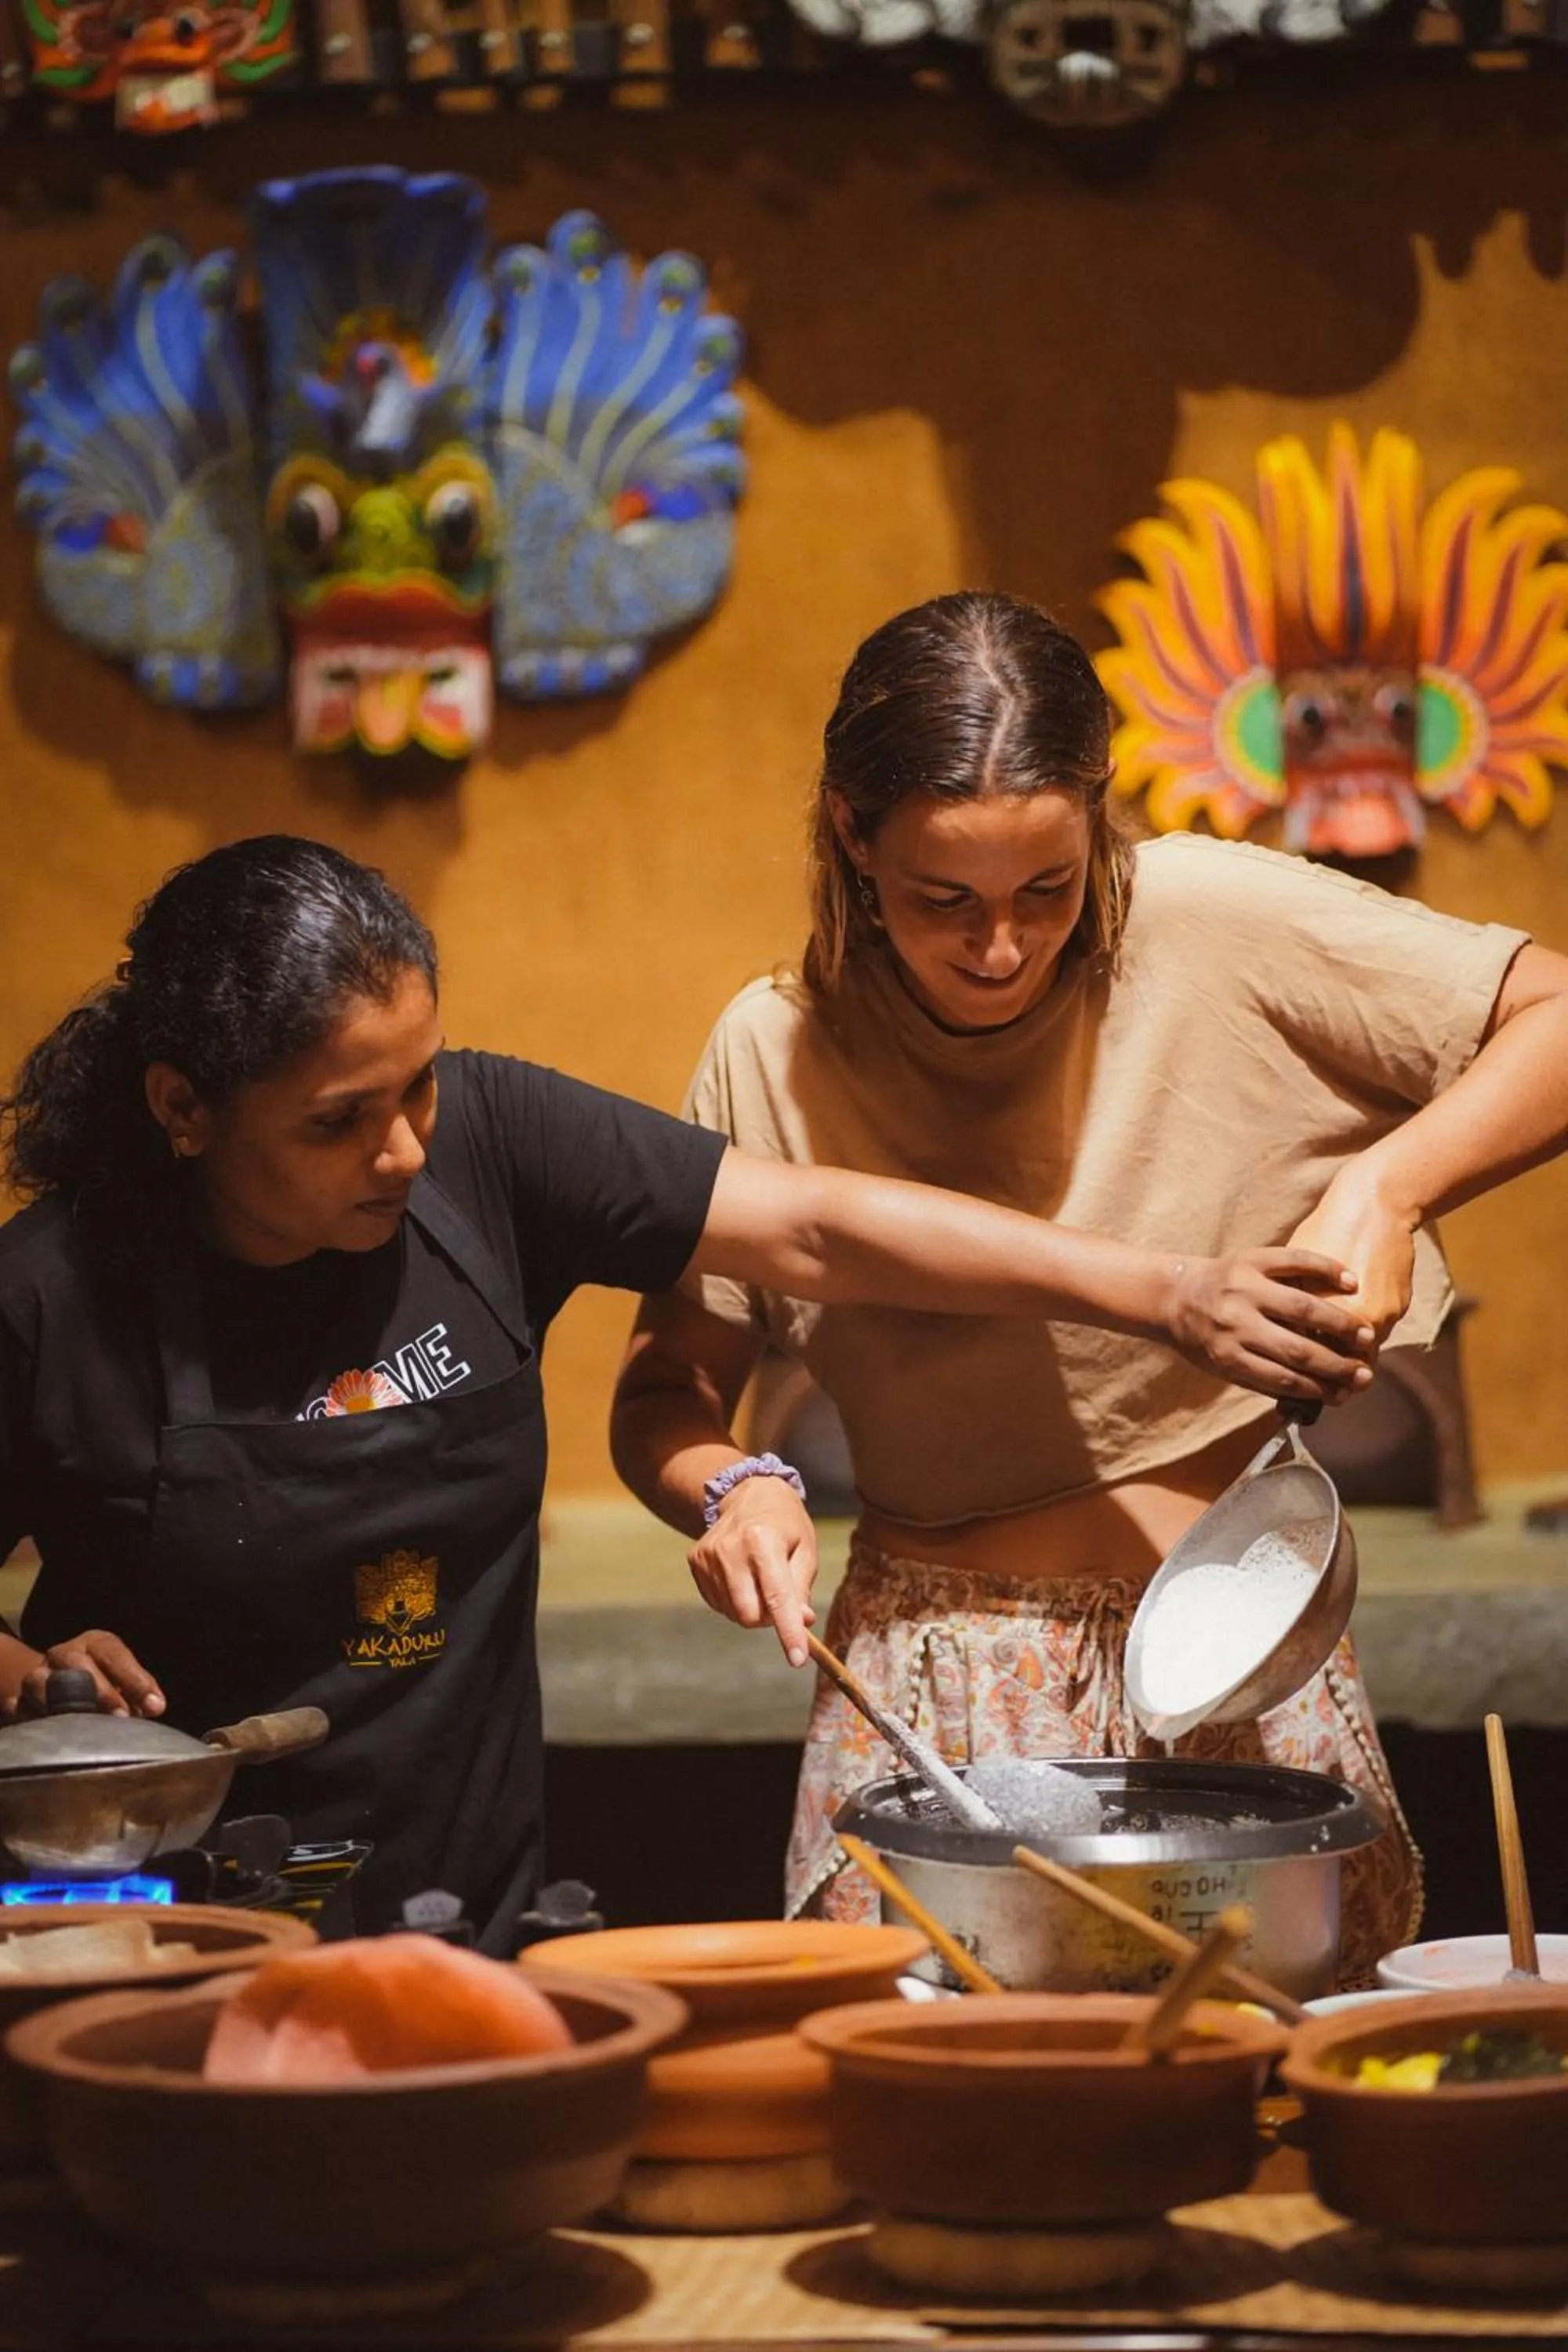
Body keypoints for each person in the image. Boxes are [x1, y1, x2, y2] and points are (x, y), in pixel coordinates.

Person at [0, 836, 1372, 1953]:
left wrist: (1169, 1294)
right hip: (148, 1940)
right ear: (184, 1108)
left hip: (460, 1917)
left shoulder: (487, 1147)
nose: (404, 1148)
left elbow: (820, 1227)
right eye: (336, 1121)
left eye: (415, 1088)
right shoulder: (53, 1294)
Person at [610, 591, 1568, 1984]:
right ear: (850, 833)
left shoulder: (1209, 915)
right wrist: (724, 1486)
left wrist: (1387, 1188)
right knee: (961, 2112)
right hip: (936, 1688)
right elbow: (668, 1388)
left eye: (1046, 891)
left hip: (1242, 1659)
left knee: (1279, 2105)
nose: (1000, 948)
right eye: (946, 900)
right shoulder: (773, 1050)